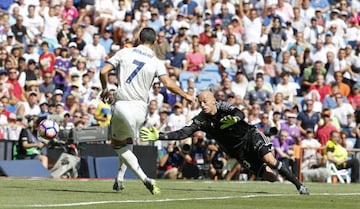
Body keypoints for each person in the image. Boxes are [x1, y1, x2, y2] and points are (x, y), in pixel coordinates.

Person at [140, 91, 309, 195]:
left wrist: (234, 118)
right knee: (269, 176)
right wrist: (160, 136)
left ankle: (299, 186)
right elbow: (183, 132)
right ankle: (280, 179)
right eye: (200, 102)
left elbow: (240, 113)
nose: (202, 105)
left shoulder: (222, 106)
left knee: (270, 161)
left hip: (250, 136)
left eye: (205, 101)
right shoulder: (201, 120)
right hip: (237, 151)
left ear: (213, 101)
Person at [99, 27, 194, 195]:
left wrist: (105, 88)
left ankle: (145, 178)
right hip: (141, 109)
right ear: (155, 42)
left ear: (138, 38)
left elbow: (103, 71)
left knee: (117, 144)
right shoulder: (156, 62)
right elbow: (169, 85)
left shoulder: (124, 52)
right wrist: (186, 96)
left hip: (123, 104)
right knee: (127, 141)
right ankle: (120, 178)